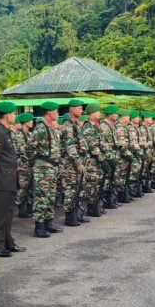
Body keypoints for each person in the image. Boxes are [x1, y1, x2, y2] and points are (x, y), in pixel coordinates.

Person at [0, 101, 26, 257]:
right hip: (1, 178)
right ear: (7, 114)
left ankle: (8, 242)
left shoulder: (5, 131)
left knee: (8, 213)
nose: (15, 116)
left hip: (9, 178)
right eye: (14, 113)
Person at [31, 101, 64, 238]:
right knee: (41, 197)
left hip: (52, 167)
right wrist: (33, 162)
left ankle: (48, 223)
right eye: (55, 111)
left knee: (50, 196)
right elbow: (30, 146)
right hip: (43, 166)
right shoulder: (41, 128)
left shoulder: (52, 128)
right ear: (49, 112)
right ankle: (39, 227)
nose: (57, 114)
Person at [59, 99, 88, 227]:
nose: (81, 110)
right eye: (79, 108)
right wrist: (78, 162)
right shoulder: (68, 124)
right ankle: (69, 217)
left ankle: (75, 214)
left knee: (78, 188)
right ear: (72, 109)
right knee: (70, 189)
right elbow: (69, 145)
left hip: (78, 160)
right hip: (70, 163)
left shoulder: (75, 123)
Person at [13, 113, 34, 218]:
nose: (32, 122)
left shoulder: (29, 134)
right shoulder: (19, 135)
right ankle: (16, 209)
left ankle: (25, 210)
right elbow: (22, 151)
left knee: (28, 188)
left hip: (28, 166)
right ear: (25, 122)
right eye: (30, 120)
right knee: (21, 188)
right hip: (21, 166)